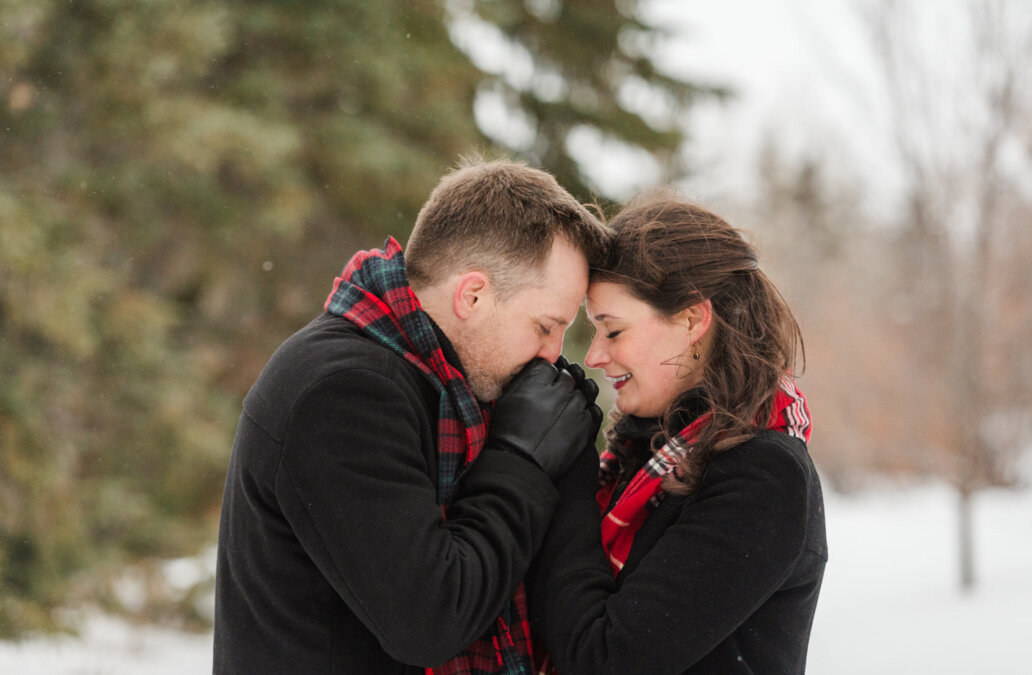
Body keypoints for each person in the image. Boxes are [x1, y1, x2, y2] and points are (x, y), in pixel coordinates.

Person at [213, 157, 609, 674]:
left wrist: (563, 455)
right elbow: (430, 620)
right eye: (545, 325)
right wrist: (521, 461)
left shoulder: (445, 390)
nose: (554, 354)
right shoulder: (342, 393)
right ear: (472, 295)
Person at [527, 196, 827, 674]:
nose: (596, 357)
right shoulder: (644, 456)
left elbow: (605, 659)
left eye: (613, 331)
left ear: (692, 319)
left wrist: (567, 472)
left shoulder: (763, 475)